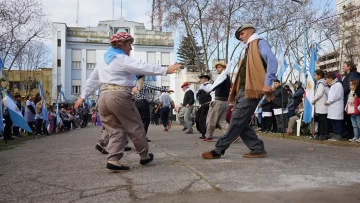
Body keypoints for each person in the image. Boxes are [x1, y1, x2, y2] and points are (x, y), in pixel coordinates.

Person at [75, 31, 180, 171]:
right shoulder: (121, 58)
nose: (130, 48)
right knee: (135, 126)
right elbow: (142, 67)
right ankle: (144, 155)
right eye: (129, 44)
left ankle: (113, 159)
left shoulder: (103, 61)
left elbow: (93, 80)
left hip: (103, 98)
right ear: (121, 44)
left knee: (116, 129)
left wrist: (83, 96)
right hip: (119, 96)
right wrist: (166, 69)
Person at [202, 24, 277, 159]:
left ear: (251, 31)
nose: (240, 37)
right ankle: (257, 148)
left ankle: (218, 150)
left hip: (253, 88)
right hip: (244, 89)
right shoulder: (247, 49)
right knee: (241, 121)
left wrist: (268, 83)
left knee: (237, 119)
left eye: (241, 34)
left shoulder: (260, 43)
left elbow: (272, 61)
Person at [203, 62, 231, 142]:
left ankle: (209, 136)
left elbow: (216, 85)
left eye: (219, 67)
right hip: (225, 102)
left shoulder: (222, 77)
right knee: (221, 121)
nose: (217, 69)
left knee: (211, 119)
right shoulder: (227, 77)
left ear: (224, 68)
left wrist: (211, 89)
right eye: (217, 67)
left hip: (218, 102)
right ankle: (232, 135)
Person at [325, 72, 344, 141]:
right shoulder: (332, 85)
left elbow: (336, 96)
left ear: (330, 78)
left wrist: (328, 101)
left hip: (337, 106)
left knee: (337, 121)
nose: (326, 80)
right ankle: (335, 134)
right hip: (332, 107)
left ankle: (339, 135)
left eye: (327, 78)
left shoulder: (338, 84)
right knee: (333, 121)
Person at [312, 69, 329, 140]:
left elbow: (319, 94)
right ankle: (320, 133)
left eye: (315, 75)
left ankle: (324, 134)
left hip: (323, 104)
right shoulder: (319, 83)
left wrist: (313, 100)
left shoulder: (322, 83)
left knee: (323, 120)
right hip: (320, 105)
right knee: (320, 120)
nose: (314, 76)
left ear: (319, 76)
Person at [195, 75, 213, 139]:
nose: (200, 80)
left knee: (203, 119)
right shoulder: (201, 86)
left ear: (206, 79)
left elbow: (213, 94)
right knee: (198, 118)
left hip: (207, 104)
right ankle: (203, 132)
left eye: (201, 79)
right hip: (202, 105)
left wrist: (212, 102)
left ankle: (204, 134)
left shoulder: (209, 86)